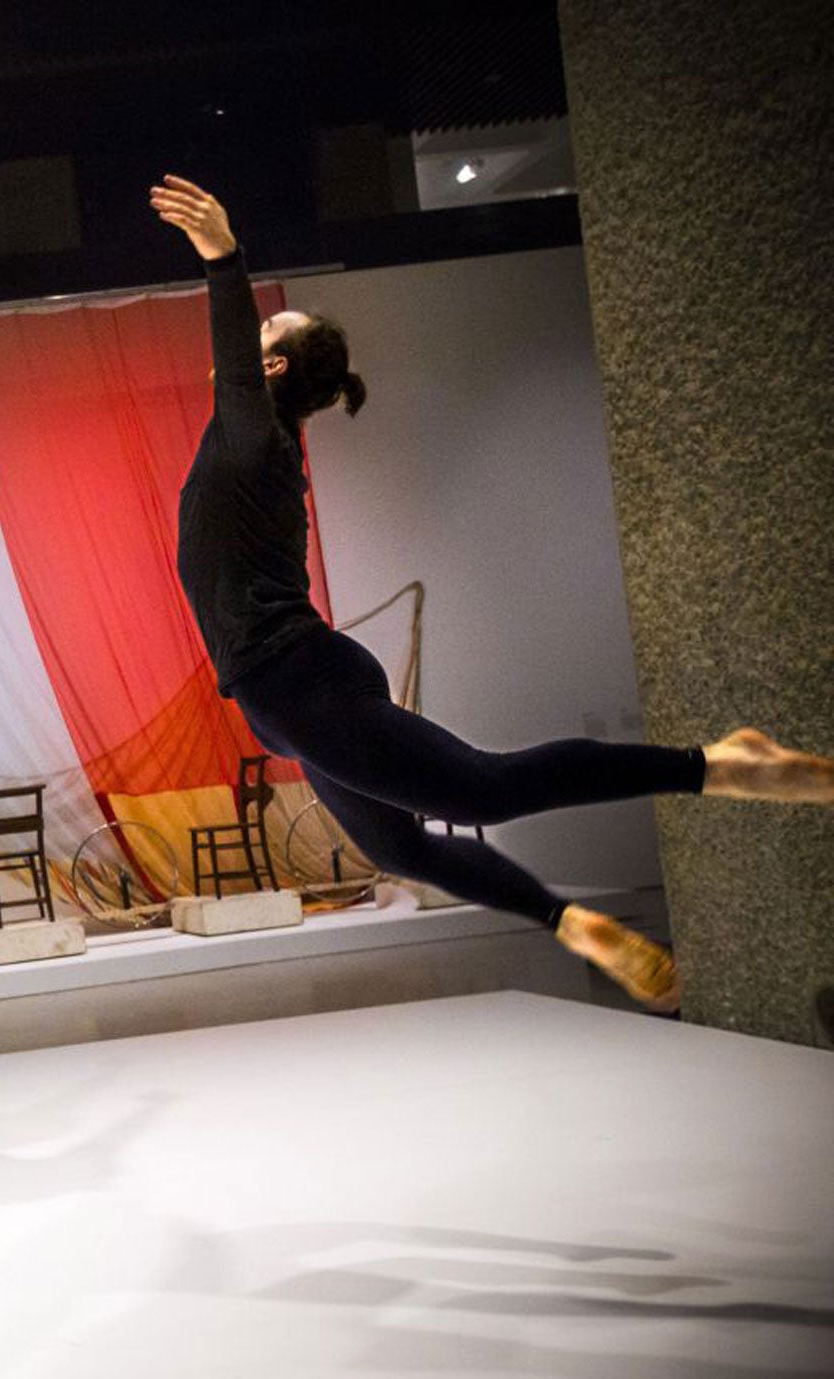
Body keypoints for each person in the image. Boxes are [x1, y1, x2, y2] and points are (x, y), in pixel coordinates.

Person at [147, 173, 832, 1008]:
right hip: (286, 695)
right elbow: (241, 375)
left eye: (256, 344)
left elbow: (236, 362)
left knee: (482, 788)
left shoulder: (253, 442)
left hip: (298, 681)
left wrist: (223, 256)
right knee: (404, 851)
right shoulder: (258, 449)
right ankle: (570, 920)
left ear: (271, 368)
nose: (236, 361)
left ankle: (719, 766)